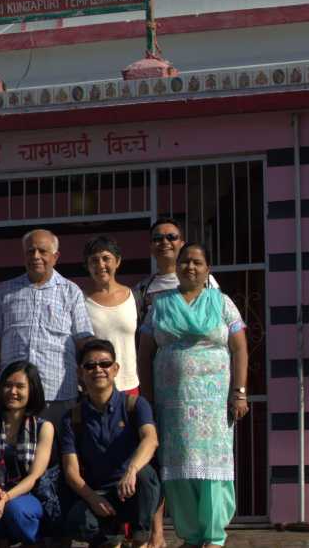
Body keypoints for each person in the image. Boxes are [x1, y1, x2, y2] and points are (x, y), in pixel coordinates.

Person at [139, 242, 248, 548]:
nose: (190, 267)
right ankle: (190, 534)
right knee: (178, 468)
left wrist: (239, 393)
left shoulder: (222, 302)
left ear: (207, 270)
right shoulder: (160, 305)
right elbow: (145, 351)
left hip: (213, 405)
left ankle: (213, 536)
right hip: (171, 404)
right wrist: (147, 398)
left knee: (212, 467)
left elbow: (239, 347)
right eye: (185, 261)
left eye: (197, 262)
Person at [131, 218, 218, 548]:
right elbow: (142, 340)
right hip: (162, 389)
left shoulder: (209, 285)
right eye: (157, 238)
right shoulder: (143, 289)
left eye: (171, 237)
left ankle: (205, 532)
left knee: (201, 463)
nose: (164, 242)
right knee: (162, 461)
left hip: (204, 396)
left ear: (183, 243)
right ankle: (158, 533)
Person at [0, 229, 93, 430]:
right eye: (30, 251)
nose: (35, 256)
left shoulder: (71, 291)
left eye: (42, 251)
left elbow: (83, 341)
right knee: (15, 456)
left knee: (59, 453)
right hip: (13, 395)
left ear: (55, 256)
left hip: (58, 394)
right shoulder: (6, 291)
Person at [62, 340, 160, 548]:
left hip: (132, 490)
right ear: (80, 373)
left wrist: (131, 470)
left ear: (115, 369)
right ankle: (110, 539)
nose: (98, 369)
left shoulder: (135, 405)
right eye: (90, 366)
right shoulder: (73, 418)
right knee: (78, 519)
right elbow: (71, 472)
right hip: (99, 494)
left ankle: (140, 540)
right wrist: (92, 498)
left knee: (146, 477)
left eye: (105, 364)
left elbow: (151, 439)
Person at [0, 361, 57, 548]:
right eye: (8, 385)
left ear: (32, 390)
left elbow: (35, 476)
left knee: (15, 510)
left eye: (20, 386)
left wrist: (5, 498)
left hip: (29, 494)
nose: (12, 391)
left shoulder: (43, 427)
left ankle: (33, 540)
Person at [81, 236, 139, 394]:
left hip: (130, 386)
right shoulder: (79, 302)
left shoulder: (135, 297)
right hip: (95, 390)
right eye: (94, 260)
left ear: (118, 261)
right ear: (87, 265)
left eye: (106, 258)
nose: (101, 265)